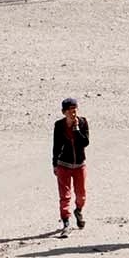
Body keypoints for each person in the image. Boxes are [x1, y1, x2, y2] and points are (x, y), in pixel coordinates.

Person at [51, 98, 91, 237]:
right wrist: (55, 164)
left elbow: (85, 142)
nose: (73, 113)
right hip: (64, 165)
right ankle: (66, 223)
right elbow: (56, 146)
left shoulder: (83, 122)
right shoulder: (59, 126)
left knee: (81, 194)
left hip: (80, 165)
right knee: (65, 196)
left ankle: (78, 211)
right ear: (64, 112)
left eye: (75, 110)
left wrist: (76, 129)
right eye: (70, 110)